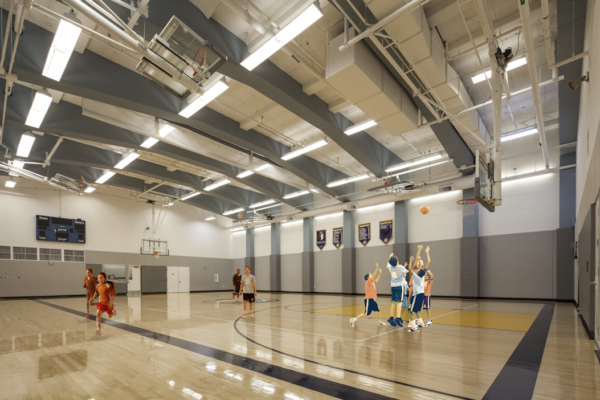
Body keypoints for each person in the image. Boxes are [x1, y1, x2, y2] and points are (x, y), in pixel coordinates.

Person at [405, 246, 431, 333]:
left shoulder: (416, 276)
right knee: (416, 311)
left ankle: (414, 327)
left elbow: (409, 268)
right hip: (421, 294)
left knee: (410, 311)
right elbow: (423, 265)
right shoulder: (422, 276)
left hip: (416, 295)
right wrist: (422, 255)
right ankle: (421, 323)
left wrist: (411, 261)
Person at [88, 272, 117, 336]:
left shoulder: (107, 285)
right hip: (101, 303)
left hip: (108, 303)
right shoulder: (98, 285)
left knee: (109, 316)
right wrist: (92, 300)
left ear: (104, 278)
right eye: (98, 278)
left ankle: (113, 311)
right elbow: (95, 293)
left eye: (101, 278)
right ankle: (98, 329)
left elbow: (112, 294)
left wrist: (111, 303)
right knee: (98, 314)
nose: (100, 279)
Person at [385, 253, 408, 327]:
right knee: (400, 302)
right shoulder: (400, 268)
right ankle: (398, 318)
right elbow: (407, 271)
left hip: (393, 286)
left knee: (393, 302)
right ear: (397, 262)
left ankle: (391, 317)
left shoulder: (390, 267)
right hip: (399, 286)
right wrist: (403, 267)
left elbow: (388, 263)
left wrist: (390, 256)